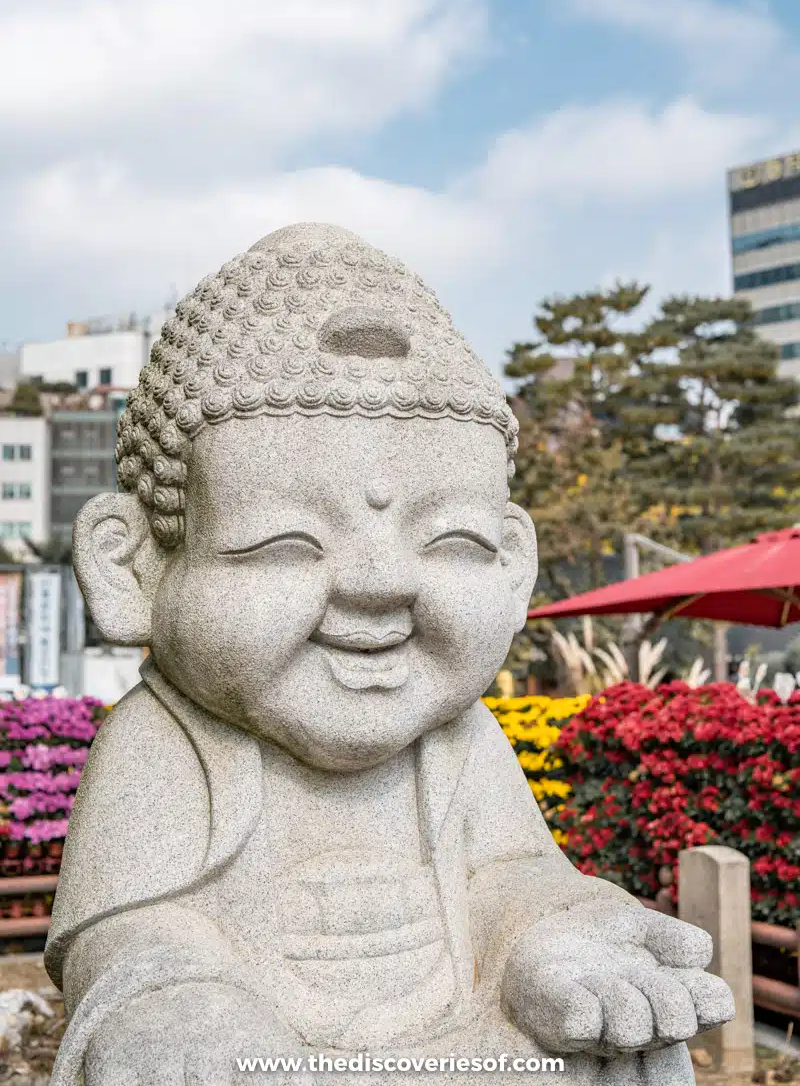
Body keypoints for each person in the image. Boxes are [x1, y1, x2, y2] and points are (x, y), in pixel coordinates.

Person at [46, 224, 732, 1085]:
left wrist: (552, 942)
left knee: (624, 1055)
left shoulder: (460, 737)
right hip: (263, 1063)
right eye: (286, 543)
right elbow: (129, 936)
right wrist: (175, 1002)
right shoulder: (162, 743)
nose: (377, 588)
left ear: (512, 564)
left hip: (465, 1054)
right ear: (134, 567)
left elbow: (508, 880)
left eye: (450, 541)